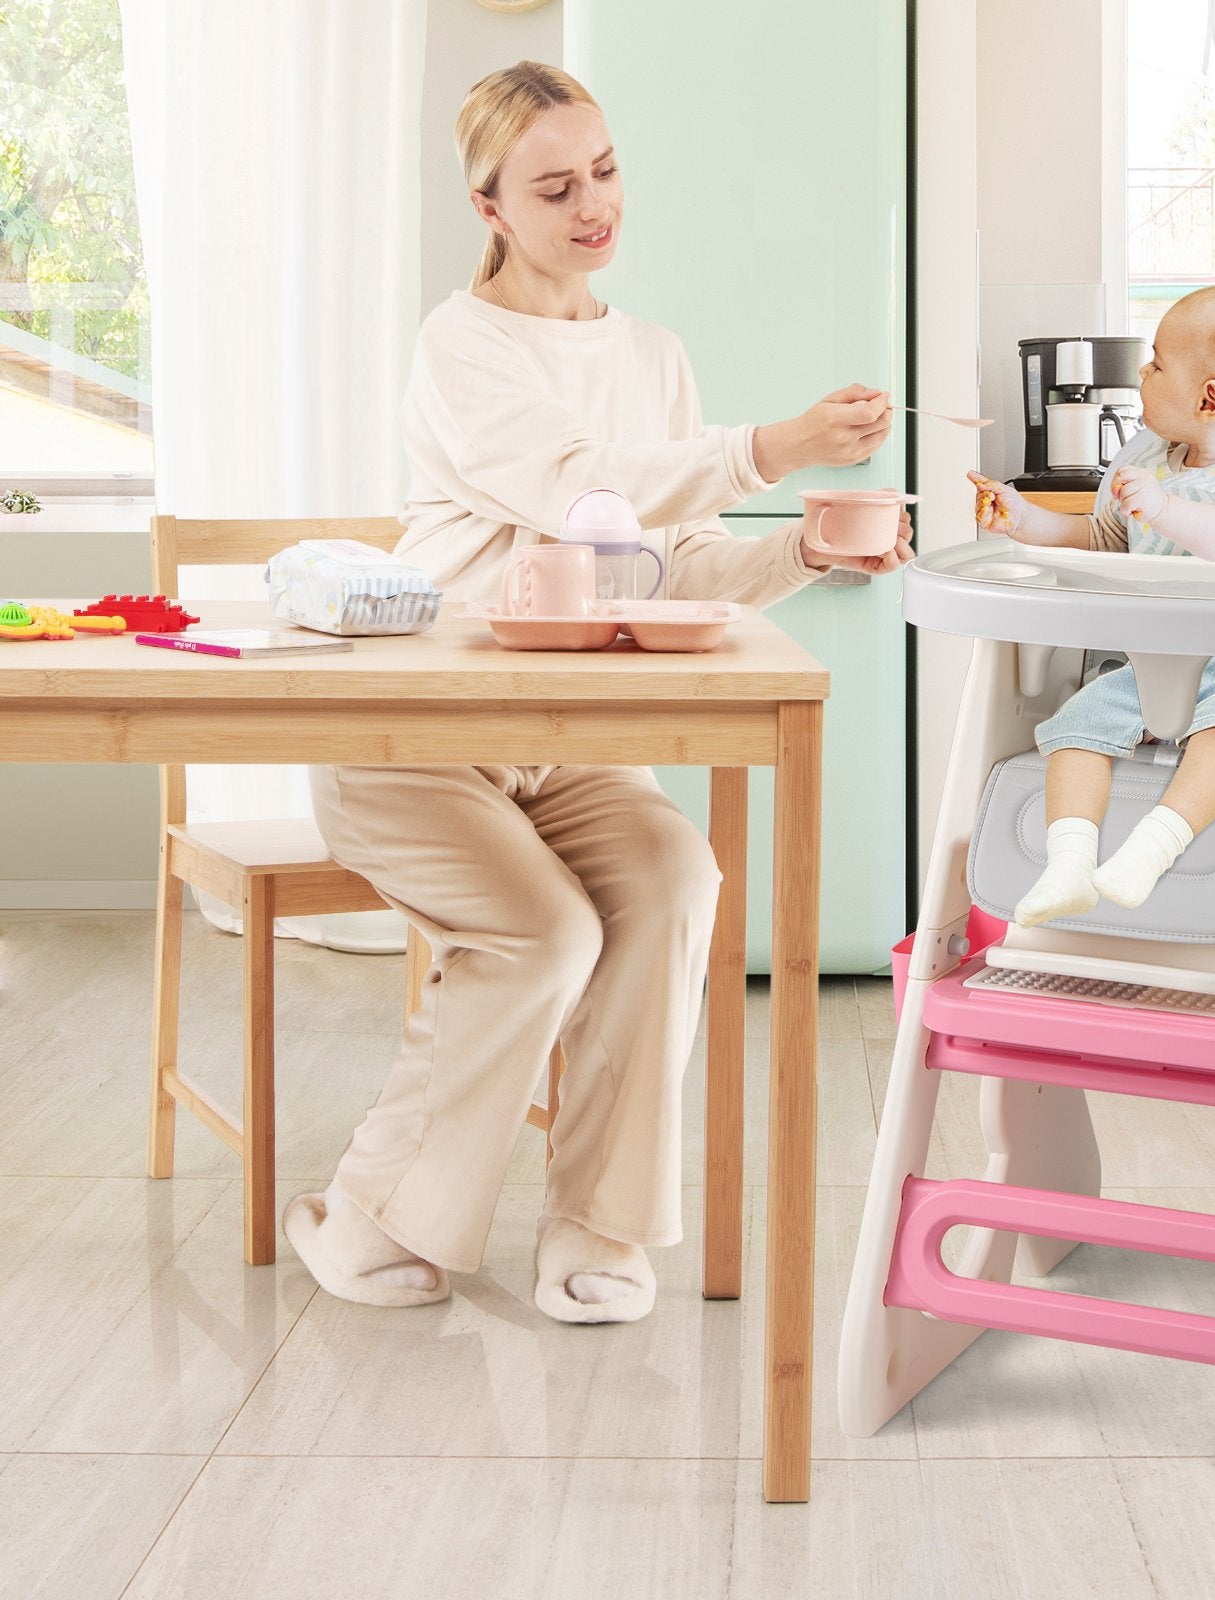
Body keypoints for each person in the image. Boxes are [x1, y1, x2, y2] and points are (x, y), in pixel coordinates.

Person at [284, 61, 911, 1324]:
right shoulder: (460, 344)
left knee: (680, 880)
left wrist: (805, 547)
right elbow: (585, 491)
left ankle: (599, 1223)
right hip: (418, 735)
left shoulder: (653, 355)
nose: (593, 206)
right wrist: (775, 446)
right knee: (547, 932)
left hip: (565, 740)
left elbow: (666, 563)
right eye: (555, 186)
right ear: (491, 207)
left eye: (606, 171)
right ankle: (366, 1210)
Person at [969, 284, 1215, 927]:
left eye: (1155, 363)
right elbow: (1105, 543)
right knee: (1073, 731)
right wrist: (1025, 521)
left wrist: (1166, 508)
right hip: (1146, 667)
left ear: (1208, 399)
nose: (1141, 373)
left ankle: (1148, 853)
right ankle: (1068, 866)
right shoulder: (1145, 459)